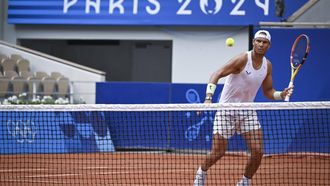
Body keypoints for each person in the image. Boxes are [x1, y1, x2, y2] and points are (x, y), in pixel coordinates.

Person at [193, 30, 293, 186]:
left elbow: (268, 92)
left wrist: (281, 94)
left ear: (269, 45)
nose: (260, 44)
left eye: (264, 42)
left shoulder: (268, 66)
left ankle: (244, 182)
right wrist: (208, 98)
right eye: (258, 41)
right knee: (218, 152)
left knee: (258, 151)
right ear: (253, 42)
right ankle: (201, 172)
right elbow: (217, 73)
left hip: (247, 111)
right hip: (226, 110)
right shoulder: (242, 59)